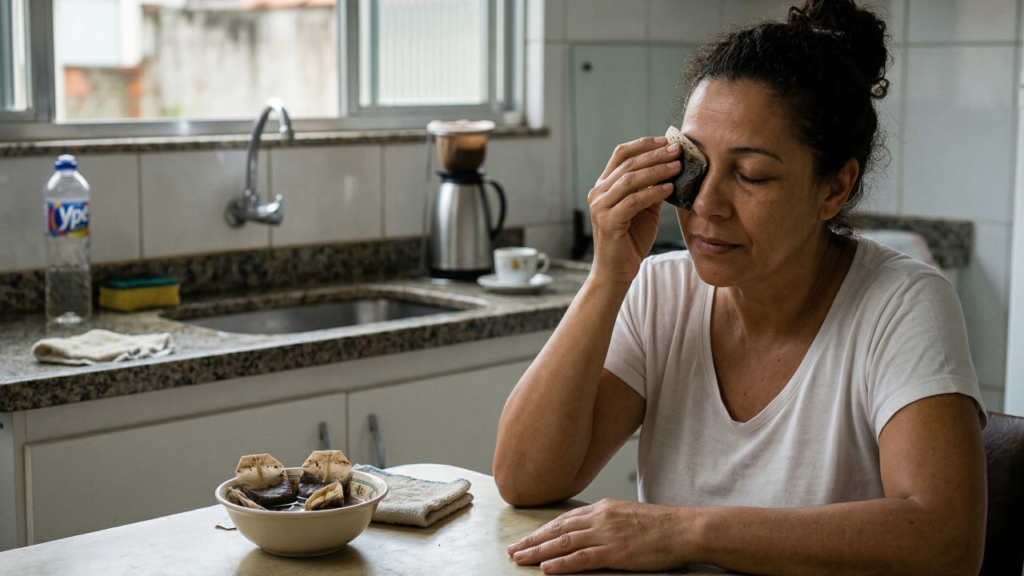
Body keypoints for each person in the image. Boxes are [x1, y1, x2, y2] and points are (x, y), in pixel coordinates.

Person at [492, 1, 988, 574]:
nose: (706, 204)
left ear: (834, 188)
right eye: (696, 164)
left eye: (751, 176)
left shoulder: (901, 305)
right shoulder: (660, 291)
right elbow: (525, 480)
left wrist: (688, 531)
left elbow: (946, 541)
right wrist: (608, 276)